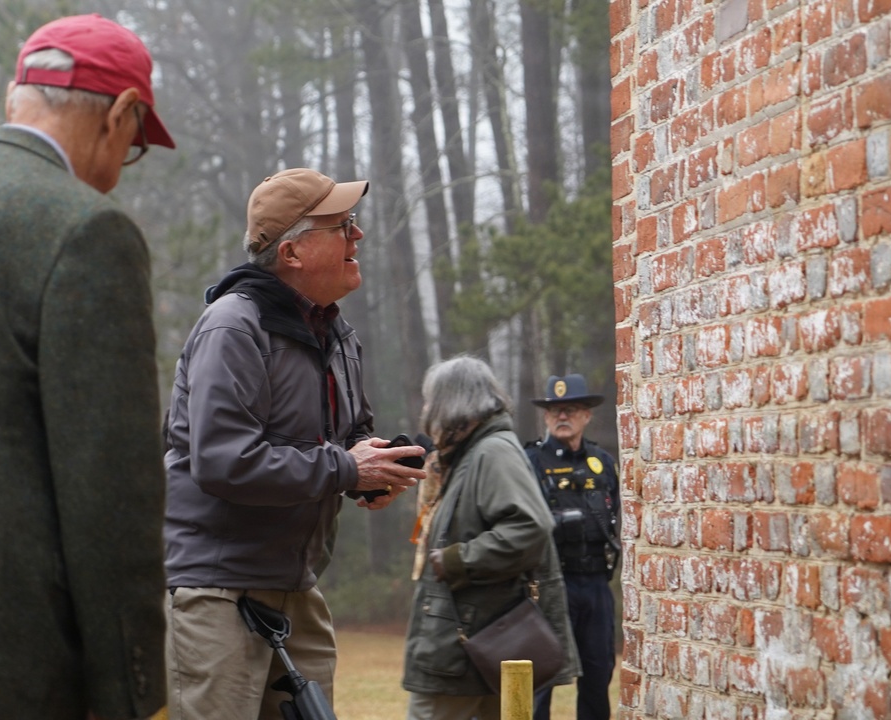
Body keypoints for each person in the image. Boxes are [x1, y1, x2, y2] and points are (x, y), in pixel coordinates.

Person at [163, 167, 426, 720]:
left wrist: (375, 464)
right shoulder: (233, 327)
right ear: (293, 252)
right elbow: (223, 463)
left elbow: (347, 436)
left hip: (297, 587)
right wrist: (344, 470)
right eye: (343, 225)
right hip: (218, 590)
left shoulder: (337, 331)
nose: (359, 236)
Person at [0, 13, 176, 720]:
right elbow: (110, 497)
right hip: (18, 671)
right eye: (132, 146)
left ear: (14, 97)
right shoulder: (84, 232)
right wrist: (133, 692)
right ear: (123, 113)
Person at [402, 355, 579, 720]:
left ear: (453, 402)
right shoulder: (471, 454)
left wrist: (457, 560)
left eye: (431, 399)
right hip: (464, 646)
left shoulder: (492, 452)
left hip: (468, 644)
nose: (427, 409)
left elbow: (529, 527)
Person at [527, 374, 620, 720]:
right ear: (546, 417)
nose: (562, 416)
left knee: (598, 672)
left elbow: (617, 516)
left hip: (595, 583)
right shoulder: (530, 462)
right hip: (548, 585)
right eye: (555, 411)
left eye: (572, 409)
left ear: (587, 415)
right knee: (540, 678)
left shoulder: (603, 463)